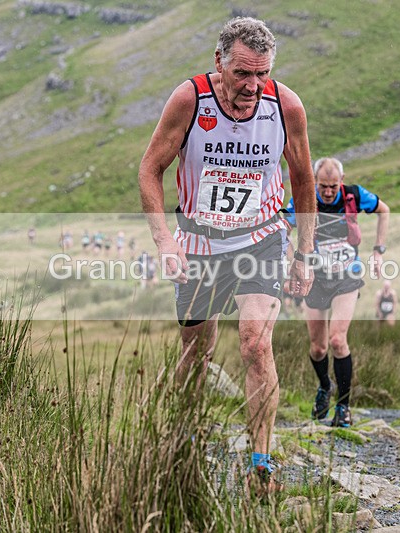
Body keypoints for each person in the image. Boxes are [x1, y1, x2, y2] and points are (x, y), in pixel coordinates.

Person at [138, 16, 316, 493]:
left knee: (256, 342)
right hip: (198, 242)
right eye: (242, 74)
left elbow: (303, 180)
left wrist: (304, 253)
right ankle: (182, 436)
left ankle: (261, 459)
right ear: (219, 63)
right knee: (198, 352)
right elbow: (150, 169)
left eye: (261, 74)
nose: (252, 85)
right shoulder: (190, 100)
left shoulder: (285, 106)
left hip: (261, 238)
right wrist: (164, 240)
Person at [286, 156, 390, 427]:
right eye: (323, 186)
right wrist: (294, 263)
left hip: (347, 276)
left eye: (333, 186)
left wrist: (378, 251)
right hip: (315, 278)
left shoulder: (355, 195)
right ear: (315, 182)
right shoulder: (303, 198)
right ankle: (324, 387)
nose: (328, 192)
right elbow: (282, 227)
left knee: (337, 340)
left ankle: (343, 406)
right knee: (318, 348)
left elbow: (384, 210)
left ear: (341, 181)